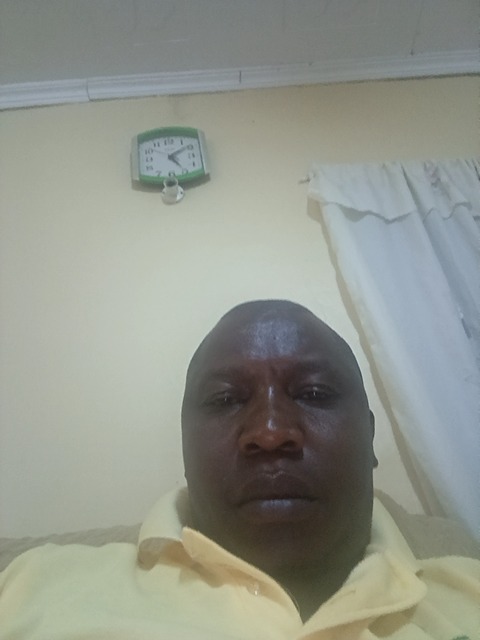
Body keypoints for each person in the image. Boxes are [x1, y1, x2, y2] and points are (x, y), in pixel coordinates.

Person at [0, 300, 479, 639]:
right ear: (184, 445)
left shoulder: (469, 594)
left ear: (370, 436)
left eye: (313, 393)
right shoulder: (32, 585)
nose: (270, 432)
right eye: (225, 399)